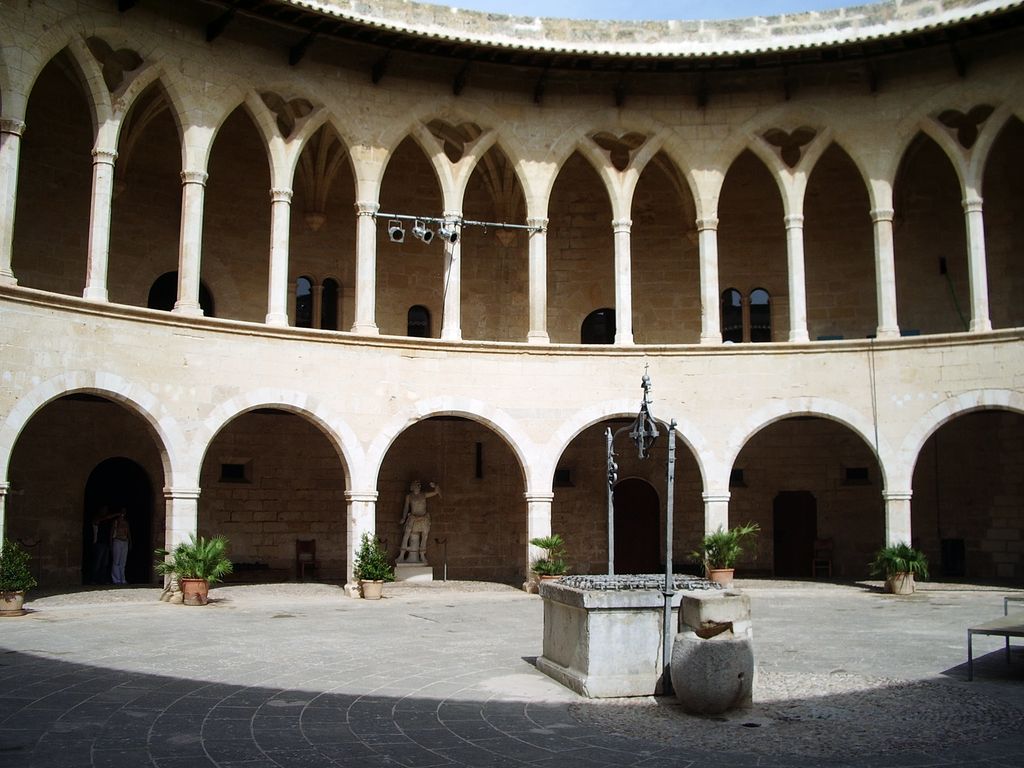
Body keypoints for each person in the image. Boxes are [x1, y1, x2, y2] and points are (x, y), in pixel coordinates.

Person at [398, 481, 440, 564]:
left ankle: (422, 555)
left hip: (423, 518)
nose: (418, 487)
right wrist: (403, 517)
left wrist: (435, 486)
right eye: (416, 485)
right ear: (412, 487)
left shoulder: (423, 495)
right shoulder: (409, 496)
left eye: (419, 485)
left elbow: (436, 492)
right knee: (406, 534)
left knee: (424, 536)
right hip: (413, 517)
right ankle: (401, 555)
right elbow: (406, 507)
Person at [109, 509, 131, 585]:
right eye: (121, 512)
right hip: (117, 541)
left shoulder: (126, 523)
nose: (122, 514)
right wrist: (110, 543)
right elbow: (111, 533)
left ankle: (123, 579)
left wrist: (130, 542)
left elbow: (128, 533)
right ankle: (116, 579)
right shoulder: (115, 522)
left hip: (125, 541)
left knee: (123, 561)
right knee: (116, 561)